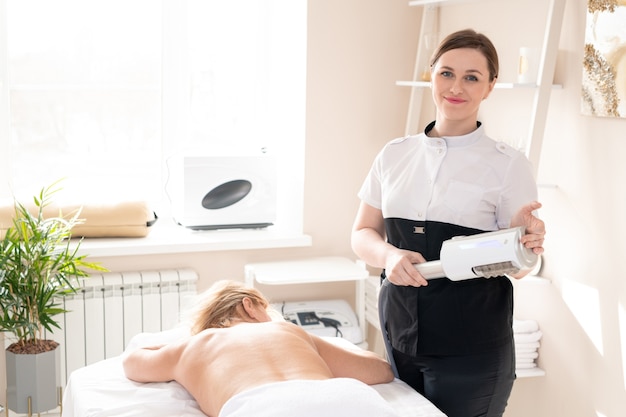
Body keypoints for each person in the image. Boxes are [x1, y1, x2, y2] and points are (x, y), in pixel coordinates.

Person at [351, 29, 546, 417]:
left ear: (490, 86)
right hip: (400, 334)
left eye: (472, 77)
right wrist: (389, 256)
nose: (456, 87)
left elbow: (522, 267)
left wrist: (529, 247)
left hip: (472, 346)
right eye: (446, 73)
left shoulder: (508, 165)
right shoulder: (394, 155)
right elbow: (361, 234)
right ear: (431, 75)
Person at [122, 280, 397, 417]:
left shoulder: (192, 347)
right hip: (346, 401)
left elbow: (133, 362)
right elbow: (380, 370)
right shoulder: (289, 331)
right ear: (249, 306)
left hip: (261, 408)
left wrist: (179, 344)